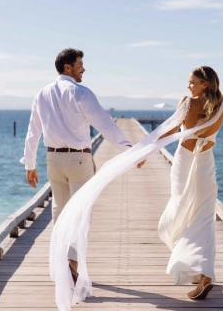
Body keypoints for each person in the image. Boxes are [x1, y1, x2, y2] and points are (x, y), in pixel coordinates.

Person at [20, 48, 144, 282]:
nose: (83, 69)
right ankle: (72, 264)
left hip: (53, 160)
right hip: (78, 160)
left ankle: (61, 263)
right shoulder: (81, 93)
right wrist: (129, 149)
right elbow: (104, 124)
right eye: (80, 64)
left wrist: (29, 164)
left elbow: (32, 131)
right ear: (68, 67)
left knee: (60, 212)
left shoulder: (42, 94)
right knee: (79, 214)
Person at [157, 41, 223, 300]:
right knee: (204, 218)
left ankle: (198, 272)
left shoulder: (187, 103)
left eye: (192, 82)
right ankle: (205, 273)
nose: (188, 86)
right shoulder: (222, 103)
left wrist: (144, 151)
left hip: (185, 161)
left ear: (205, 84)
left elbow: (168, 131)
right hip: (206, 162)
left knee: (178, 215)